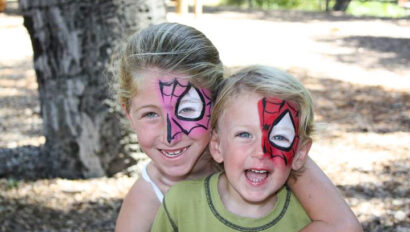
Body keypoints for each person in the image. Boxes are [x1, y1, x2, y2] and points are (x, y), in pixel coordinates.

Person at [114, 23, 362, 232]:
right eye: (149, 115)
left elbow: (344, 225)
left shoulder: (266, 155)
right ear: (129, 115)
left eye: (187, 110)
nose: (170, 134)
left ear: (217, 104)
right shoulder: (147, 201)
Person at [151, 65, 345, 231]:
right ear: (217, 146)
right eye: (244, 135)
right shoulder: (180, 204)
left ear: (299, 153)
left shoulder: (307, 218)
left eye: (279, 137)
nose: (261, 151)